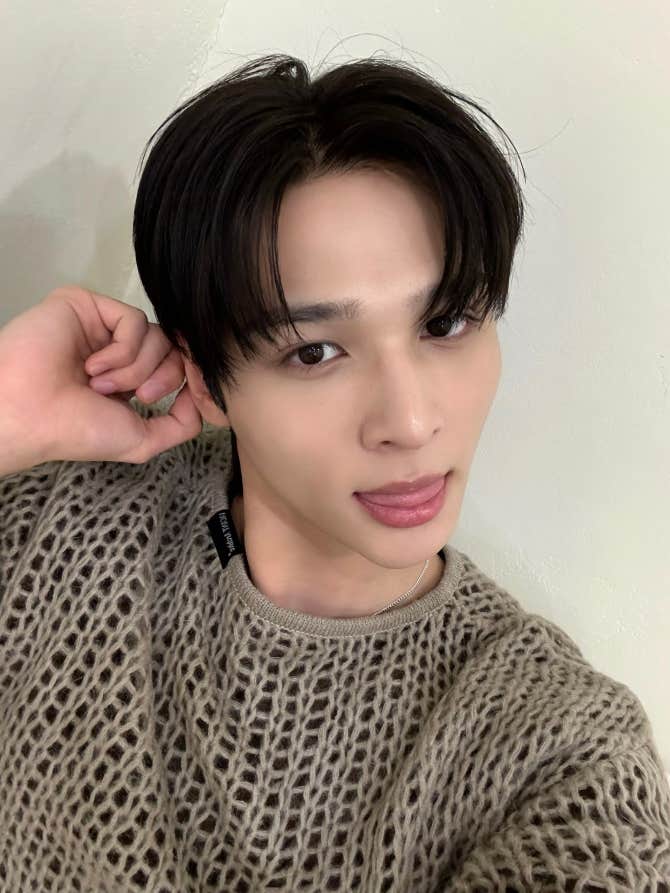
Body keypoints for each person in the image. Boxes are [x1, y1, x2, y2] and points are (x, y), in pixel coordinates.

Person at [0, 53, 668, 892]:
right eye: (314, 351)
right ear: (204, 378)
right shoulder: (64, 524)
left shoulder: (564, 755)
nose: (411, 422)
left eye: (447, 322)